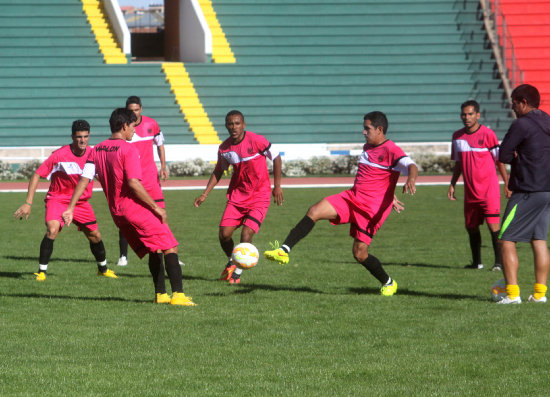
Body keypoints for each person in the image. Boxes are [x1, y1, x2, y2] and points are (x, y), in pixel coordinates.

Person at [264, 111, 417, 296]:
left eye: (367, 128)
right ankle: (283, 250)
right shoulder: (367, 146)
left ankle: (388, 282)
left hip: (370, 211)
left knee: (360, 254)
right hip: (351, 198)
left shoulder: (391, 150)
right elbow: (377, 177)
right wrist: (390, 194)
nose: (363, 132)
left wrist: (411, 179)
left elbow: (411, 165)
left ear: (380, 129)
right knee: (315, 210)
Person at [62, 109, 195, 306]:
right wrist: (156, 208)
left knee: (155, 248)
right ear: (124, 126)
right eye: (133, 126)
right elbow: (133, 183)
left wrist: (70, 208)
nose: (134, 131)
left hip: (117, 213)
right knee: (169, 246)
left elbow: (84, 179)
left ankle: (161, 295)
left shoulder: (96, 150)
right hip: (133, 209)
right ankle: (178, 295)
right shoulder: (128, 149)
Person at [13, 120, 117, 281]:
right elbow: (36, 175)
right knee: (52, 229)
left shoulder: (93, 154)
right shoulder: (60, 155)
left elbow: (102, 176)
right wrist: (28, 203)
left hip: (81, 203)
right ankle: (42, 272)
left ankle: (103, 269)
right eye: (79, 137)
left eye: (86, 136)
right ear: (72, 137)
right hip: (58, 200)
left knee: (95, 235)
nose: (82, 140)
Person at [194, 110, 283, 284]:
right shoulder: (224, 148)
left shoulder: (257, 141)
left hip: (260, 195)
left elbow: (277, 157)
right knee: (224, 235)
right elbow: (219, 171)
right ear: (226, 126)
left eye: (237, 123)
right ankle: (232, 260)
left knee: (246, 233)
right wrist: (205, 194)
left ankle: (238, 271)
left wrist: (277, 186)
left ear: (243, 124)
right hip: (237, 197)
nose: (234, 127)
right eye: (230, 124)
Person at [497, 84, 550, 304]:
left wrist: (521, 159)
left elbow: (504, 155)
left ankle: (512, 294)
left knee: (506, 239)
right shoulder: (548, 120)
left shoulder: (521, 124)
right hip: (547, 190)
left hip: (527, 190)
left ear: (524, 102)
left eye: (514, 102)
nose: (512, 107)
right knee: (539, 239)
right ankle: (539, 294)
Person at [448, 100, 510, 271]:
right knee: (471, 227)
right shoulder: (457, 137)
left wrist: (507, 184)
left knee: (493, 226)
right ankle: (477, 263)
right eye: (464, 114)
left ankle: (498, 263)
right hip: (470, 192)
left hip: (489, 191)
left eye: (470, 114)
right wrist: (452, 183)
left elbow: (499, 161)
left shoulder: (488, 134)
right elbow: (458, 164)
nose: (466, 117)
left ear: (477, 115)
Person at [116, 95, 171, 267]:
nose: (134, 113)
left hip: (151, 180)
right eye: (130, 110)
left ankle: (169, 252)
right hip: (131, 181)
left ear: (141, 109)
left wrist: (163, 165)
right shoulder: (123, 128)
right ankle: (123, 256)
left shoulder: (151, 124)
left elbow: (160, 144)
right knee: (127, 219)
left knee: (161, 215)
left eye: (136, 110)